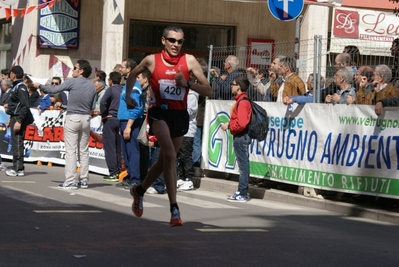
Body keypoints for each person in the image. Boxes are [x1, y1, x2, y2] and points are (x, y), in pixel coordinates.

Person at [126, 25, 212, 226]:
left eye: (180, 41)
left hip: (179, 115)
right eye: (172, 40)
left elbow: (208, 89)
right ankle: (174, 208)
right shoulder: (151, 60)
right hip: (159, 114)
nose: (176, 45)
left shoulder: (189, 60)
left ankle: (139, 191)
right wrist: (130, 96)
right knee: (171, 156)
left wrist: (188, 84)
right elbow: (131, 75)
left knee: (163, 160)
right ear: (163, 40)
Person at [34, 59, 96, 189]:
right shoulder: (91, 86)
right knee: (83, 150)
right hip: (86, 118)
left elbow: (54, 89)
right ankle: (84, 179)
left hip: (73, 117)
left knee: (71, 151)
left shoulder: (72, 82)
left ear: (81, 70)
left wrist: (39, 86)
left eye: (75, 67)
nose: (73, 70)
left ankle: (71, 180)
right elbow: (92, 106)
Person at [220, 76, 251, 202]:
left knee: (243, 166)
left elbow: (242, 123)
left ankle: (242, 192)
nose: (231, 86)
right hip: (240, 136)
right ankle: (243, 191)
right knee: (243, 165)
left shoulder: (243, 102)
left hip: (241, 136)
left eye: (233, 84)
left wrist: (229, 126)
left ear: (238, 86)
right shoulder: (241, 101)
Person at [115, 58, 143, 189]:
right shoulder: (127, 84)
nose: (120, 69)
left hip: (130, 122)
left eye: (122, 67)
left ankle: (135, 179)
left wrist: (128, 126)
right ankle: (130, 176)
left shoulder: (134, 86)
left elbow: (136, 108)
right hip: (124, 121)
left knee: (132, 152)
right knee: (126, 152)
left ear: (129, 69)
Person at [5, 65, 34, 177]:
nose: (9, 75)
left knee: (17, 142)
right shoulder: (16, 86)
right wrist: (10, 118)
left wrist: (19, 120)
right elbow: (16, 104)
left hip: (18, 118)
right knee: (15, 142)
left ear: (14, 74)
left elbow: (25, 105)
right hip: (15, 116)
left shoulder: (21, 87)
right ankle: (16, 166)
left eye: (11, 73)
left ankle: (18, 168)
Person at [101, 71, 123, 182]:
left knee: (110, 147)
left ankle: (113, 172)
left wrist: (104, 114)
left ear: (110, 81)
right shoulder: (123, 89)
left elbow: (103, 101)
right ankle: (119, 170)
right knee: (118, 148)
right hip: (121, 120)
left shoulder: (111, 90)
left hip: (110, 119)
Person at [176, 87, 199, 191]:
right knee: (178, 155)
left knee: (186, 154)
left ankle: (189, 179)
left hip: (188, 130)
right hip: (178, 129)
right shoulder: (180, 94)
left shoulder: (192, 96)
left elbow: (189, 112)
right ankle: (180, 177)